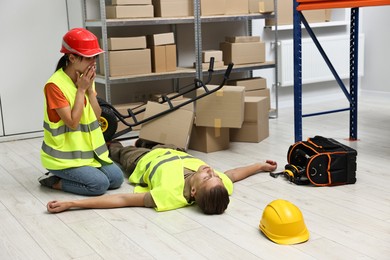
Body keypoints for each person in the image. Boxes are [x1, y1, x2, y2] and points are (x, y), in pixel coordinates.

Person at [46, 141, 277, 214]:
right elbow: (233, 175)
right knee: (160, 139)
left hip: (143, 159)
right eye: (213, 174)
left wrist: (72, 204)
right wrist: (259, 165)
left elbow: (122, 200)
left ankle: (113, 144)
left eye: (207, 177)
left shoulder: (169, 196)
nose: (209, 171)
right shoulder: (220, 184)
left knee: (118, 150)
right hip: (174, 150)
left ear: (194, 193)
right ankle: (146, 140)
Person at [38, 28, 123, 196]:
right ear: (72, 58)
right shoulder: (54, 86)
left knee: (116, 180)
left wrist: (90, 91)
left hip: (89, 154)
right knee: (99, 186)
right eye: (89, 57)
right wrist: (81, 90)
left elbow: (97, 116)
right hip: (63, 160)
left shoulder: (85, 78)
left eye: (95, 57)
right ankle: (53, 181)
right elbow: (73, 122)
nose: (94, 62)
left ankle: (88, 173)